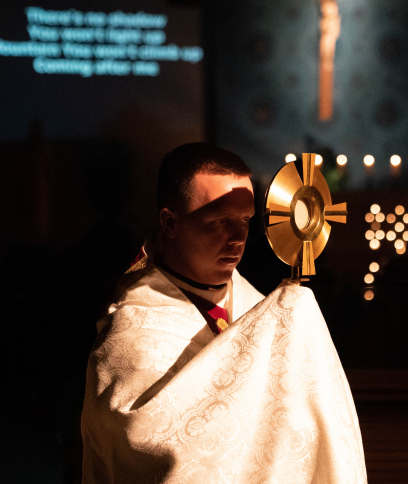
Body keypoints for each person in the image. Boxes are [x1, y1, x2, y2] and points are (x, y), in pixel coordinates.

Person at [81, 143, 367, 483]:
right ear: (170, 222)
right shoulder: (132, 330)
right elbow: (141, 445)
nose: (238, 237)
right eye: (219, 221)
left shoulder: (264, 313)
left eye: (246, 220)